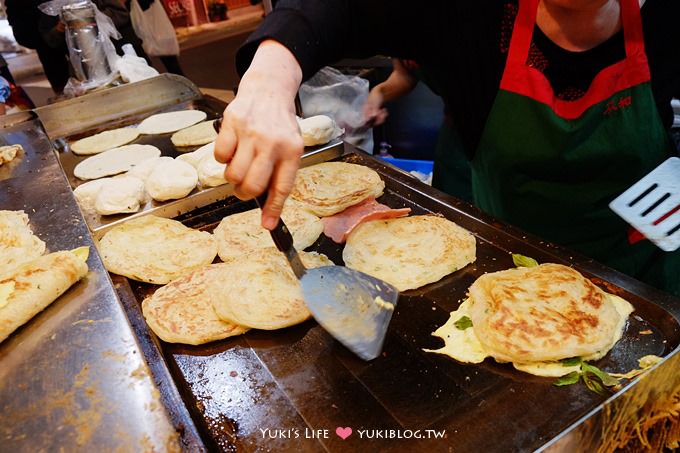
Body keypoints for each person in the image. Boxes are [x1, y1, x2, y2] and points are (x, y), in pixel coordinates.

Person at [214, 0, 680, 296]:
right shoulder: (470, 15)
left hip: (645, 273)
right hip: (513, 270)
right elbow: (339, 10)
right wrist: (269, 78)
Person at [364, 58, 473, 201]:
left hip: (489, 131)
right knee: (448, 207)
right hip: (453, 135)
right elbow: (404, 74)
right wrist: (380, 92)